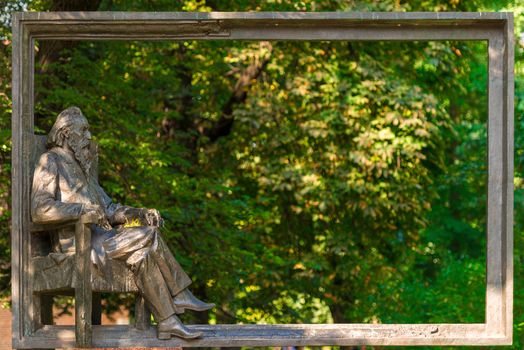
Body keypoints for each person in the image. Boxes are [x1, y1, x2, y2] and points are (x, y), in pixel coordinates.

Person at [31, 106, 213, 340]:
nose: (89, 137)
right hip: (80, 244)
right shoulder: (50, 160)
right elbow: (40, 209)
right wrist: (81, 210)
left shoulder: (82, 168)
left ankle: (168, 320)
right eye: (84, 130)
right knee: (149, 235)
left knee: (143, 256)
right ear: (66, 133)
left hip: (104, 240)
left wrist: (138, 212)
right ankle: (179, 293)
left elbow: (109, 209)